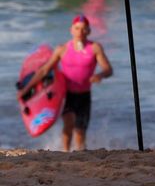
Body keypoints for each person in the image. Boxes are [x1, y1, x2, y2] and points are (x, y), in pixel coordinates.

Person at [16, 15, 113, 151]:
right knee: (68, 123)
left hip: (84, 95)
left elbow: (108, 69)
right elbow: (44, 70)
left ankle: (80, 154)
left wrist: (100, 75)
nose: (80, 32)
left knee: (80, 131)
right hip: (67, 94)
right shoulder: (62, 49)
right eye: (77, 28)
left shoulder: (95, 48)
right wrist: (26, 89)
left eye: (84, 29)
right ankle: (66, 153)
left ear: (89, 31)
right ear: (71, 30)